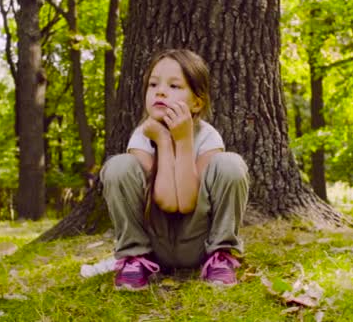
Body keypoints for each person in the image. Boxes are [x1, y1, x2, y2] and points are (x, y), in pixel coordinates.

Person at [100, 49, 249, 291]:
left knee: (230, 164)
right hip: (153, 247)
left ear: (196, 102)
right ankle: (134, 258)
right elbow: (168, 202)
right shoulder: (142, 136)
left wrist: (183, 140)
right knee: (118, 166)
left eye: (174, 86)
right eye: (153, 84)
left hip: (200, 243)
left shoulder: (208, 137)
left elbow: (187, 203)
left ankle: (221, 256)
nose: (160, 91)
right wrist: (163, 140)